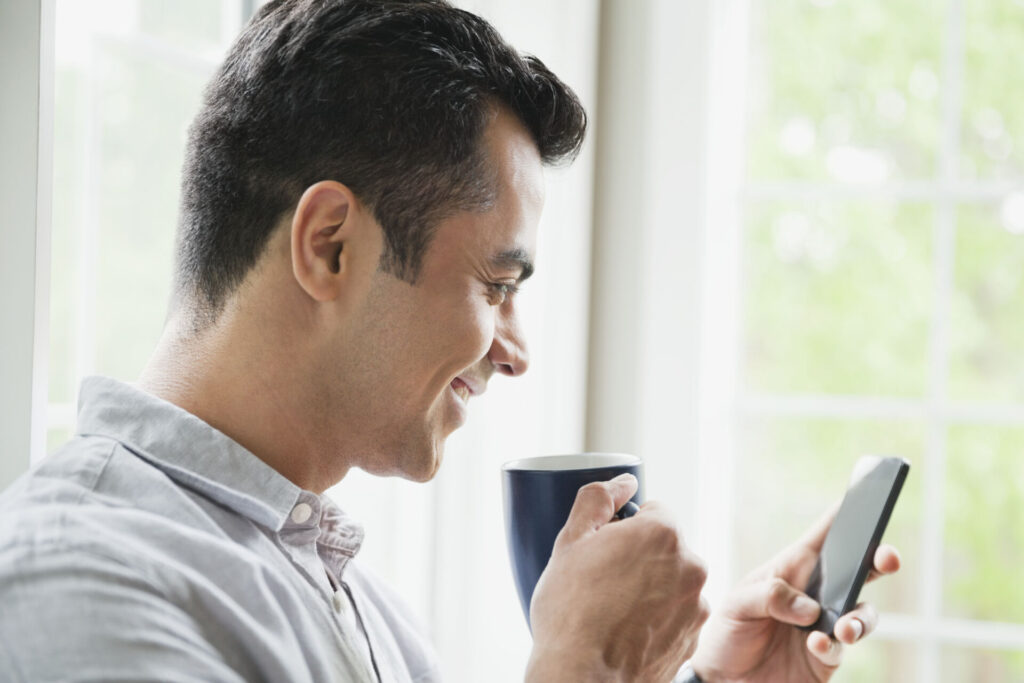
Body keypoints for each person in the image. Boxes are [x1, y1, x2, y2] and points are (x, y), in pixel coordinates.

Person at [0, 1, 900, 681]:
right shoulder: (76, 580)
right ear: (331, 245)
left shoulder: (358, 602)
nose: (515, 350)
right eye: (496, 286)